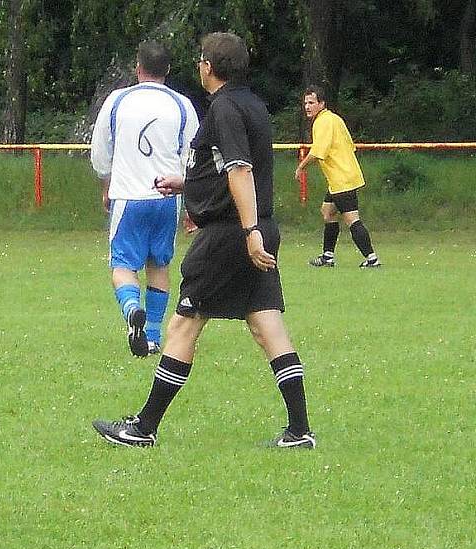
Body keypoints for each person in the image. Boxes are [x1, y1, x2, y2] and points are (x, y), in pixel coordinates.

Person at [93, 32, 315, 449]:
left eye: (201, 60)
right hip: (258, 226)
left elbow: (240, 169)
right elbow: (224, 169)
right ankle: (300, 431)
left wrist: (248, 231)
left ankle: (143, 428)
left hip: (233, 234)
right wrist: (187, 183)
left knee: (182, 325)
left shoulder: (225, 107)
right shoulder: (251, 103)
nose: (199, 66)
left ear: (209, 67)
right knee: (267, 325)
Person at [91, 40, 199, 357]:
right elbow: (192, 155)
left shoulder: (118, 100)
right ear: (167, 69)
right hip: (166, 197)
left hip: (129, 196)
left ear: (137, 68)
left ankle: (131, 311)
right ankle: (152, 334)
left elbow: (101, 150)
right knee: (159, 264)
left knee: (123, 265)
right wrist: (190, 201)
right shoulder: (182, 105)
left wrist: (106, 184)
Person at [295, 85, 381, 268]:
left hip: (342, 179)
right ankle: (328, 256)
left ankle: (372, 258)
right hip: (341, 177)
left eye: (311, 102)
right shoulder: (333, 118)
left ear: (321, 103)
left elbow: (319, 152)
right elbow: (350, 145)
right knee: (328, 212)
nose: (307, 106)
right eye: (305, 103)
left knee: (351, 219)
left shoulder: (323, 122)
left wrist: (301, 166)